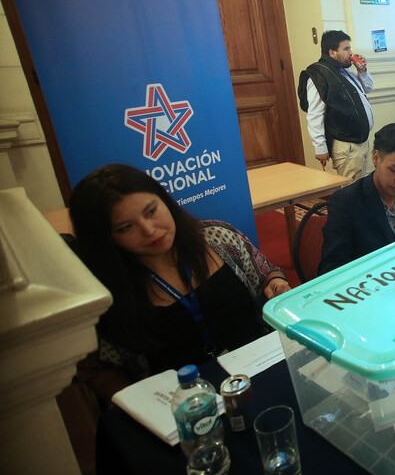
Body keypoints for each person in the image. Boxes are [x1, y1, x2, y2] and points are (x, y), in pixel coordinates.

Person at [69, 164, 290, 399]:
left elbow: (268, 272)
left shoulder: (219, 237)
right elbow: (97, 369)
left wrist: (275, 282)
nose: (149, 230)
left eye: (151, 211)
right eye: (126, 227)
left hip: (265, 372)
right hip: (184, 408)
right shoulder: (104, 290)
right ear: (105, 238)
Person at [319, 122, 395, 274]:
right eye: (394, 170)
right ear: (376, 158)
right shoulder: (346, 201)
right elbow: (331, 267)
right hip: (370, 286)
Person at [298, 30, 374, 181]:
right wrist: (320, 148)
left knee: (359, 189)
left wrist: (362, 71)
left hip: (361, 141)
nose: (351, 53)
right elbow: (315, 114)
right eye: (346, 49)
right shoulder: (319, 74)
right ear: (332, 52)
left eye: (350, 48)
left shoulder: (345, 71)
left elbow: (368, 88)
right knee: (350, 193)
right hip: (346, 146)